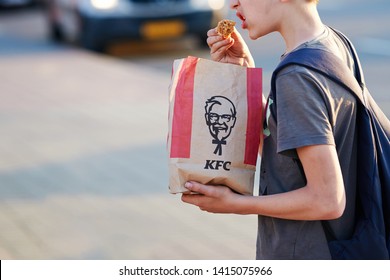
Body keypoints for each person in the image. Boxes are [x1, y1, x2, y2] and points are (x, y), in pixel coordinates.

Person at [181, 0, 359, 259]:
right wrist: (246, 75)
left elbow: (327, 200)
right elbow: (285, 153)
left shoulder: (296, 75)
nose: (233, 4)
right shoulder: (334, 44)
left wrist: (235, 204)